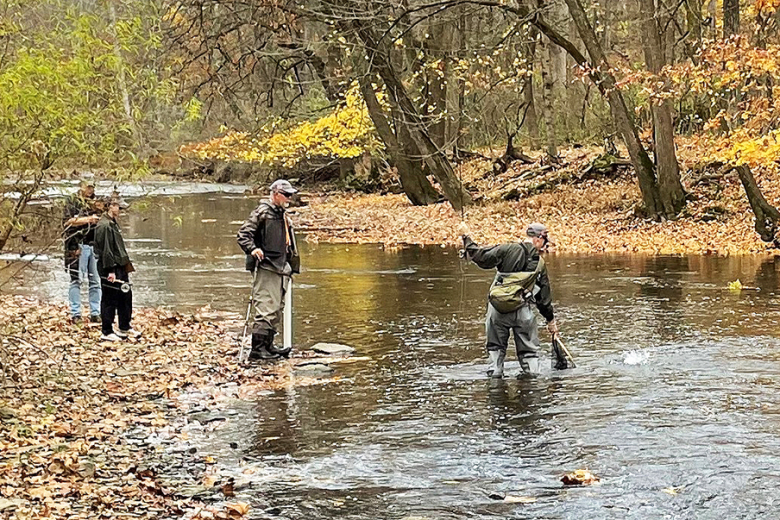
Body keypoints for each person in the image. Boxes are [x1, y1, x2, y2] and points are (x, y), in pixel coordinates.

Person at [459, 221, 560, 378]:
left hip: (497, 311)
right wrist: (550, 321)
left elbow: (480, 257)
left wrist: (466, 238)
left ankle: (495, 390)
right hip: (523, 313)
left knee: (495, 350)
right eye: (545, 242)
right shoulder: (540, 264)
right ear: (538, 239)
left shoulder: (507, 249)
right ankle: (531, 391)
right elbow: (543, 298)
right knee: (529, 355)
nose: (544, 247)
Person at [237, 179, 300, 361]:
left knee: (276, 308)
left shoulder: (281, 213)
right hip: (267, 266)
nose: (289, 198)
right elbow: (243, 235)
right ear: (275, 194)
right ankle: (257, 350)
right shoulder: (263, 212)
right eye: (286, 195)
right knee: (266, 307)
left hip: (281, 267)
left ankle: (269, 347)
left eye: (290, 194)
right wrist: (253, 249)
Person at [94, 197, 138, 342]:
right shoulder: (104, 226)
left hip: (120, 265)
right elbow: (106, 250)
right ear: (111, 206)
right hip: (110, 267)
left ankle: (124, 327)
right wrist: (111, 271)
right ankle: (106, 331)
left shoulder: (112, 223)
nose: (120, 210)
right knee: (109, 299)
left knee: (125, 295)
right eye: (118, 207)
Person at [62, 178, 102, 323]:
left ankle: (95, 312)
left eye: (93, 187)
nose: (91, 190)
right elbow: (67, 221)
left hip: (94, 246)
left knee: (96, 281)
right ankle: (75, 313)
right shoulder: (72, 201)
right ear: (81, 186)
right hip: (76, 246)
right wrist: (88, 219)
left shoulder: (97, 202)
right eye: (88, 187)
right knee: (76, 280)